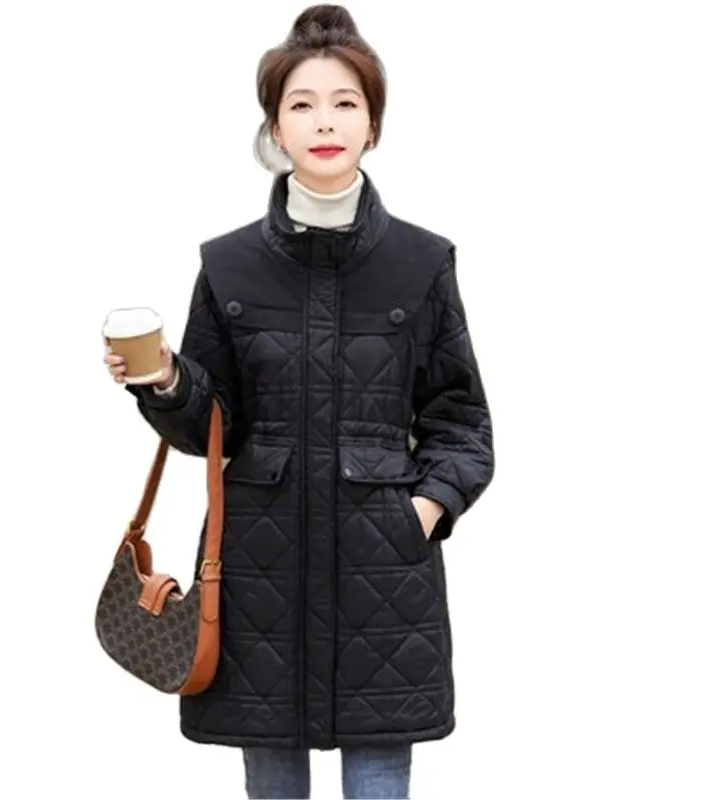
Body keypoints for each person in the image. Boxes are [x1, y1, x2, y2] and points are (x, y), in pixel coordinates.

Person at [102, 4, 495, 798]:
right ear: (275, 127)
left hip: (383, 572)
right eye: (302, 104)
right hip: (259, 566)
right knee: (271, 770)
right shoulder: (229, 265)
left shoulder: (421, 262)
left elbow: (461, 422)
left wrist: (420, 512)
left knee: (379, 770)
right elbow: (213, 426)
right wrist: (166, 382)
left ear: (373, 125)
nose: (324, 121)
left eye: (345, 102)